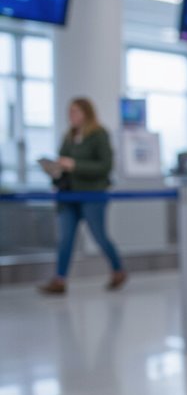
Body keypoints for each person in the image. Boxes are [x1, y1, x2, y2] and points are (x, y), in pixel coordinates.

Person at [39, 98, 126, 294]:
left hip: (92, 194)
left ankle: (118, 270)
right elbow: (62, 161)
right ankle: (59, 280)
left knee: (99, 236)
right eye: (69, 112)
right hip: (68, 195)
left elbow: (105, 166)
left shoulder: (98, 135)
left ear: (86, 113)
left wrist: (75, 165)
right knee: (65, 238)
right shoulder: (69, 136)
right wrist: (55, 168)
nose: (71, 116)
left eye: (75, 111)